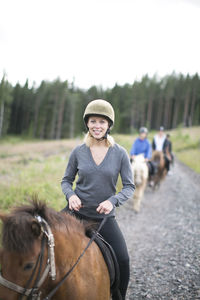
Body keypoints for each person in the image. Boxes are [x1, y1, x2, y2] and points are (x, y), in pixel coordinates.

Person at [61, 99, 135, 300]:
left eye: (102, 122)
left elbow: (129, 186)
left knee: (123, 259)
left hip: (104, 219)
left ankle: (119, 296)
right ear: (87, 123)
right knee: (44, 241)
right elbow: (66, 181)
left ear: (109, 125)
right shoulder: (78, 151)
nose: (97, 126)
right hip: (75, 214)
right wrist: (71, 195)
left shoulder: (120, 153)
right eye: (93, 121)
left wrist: (113, 200)